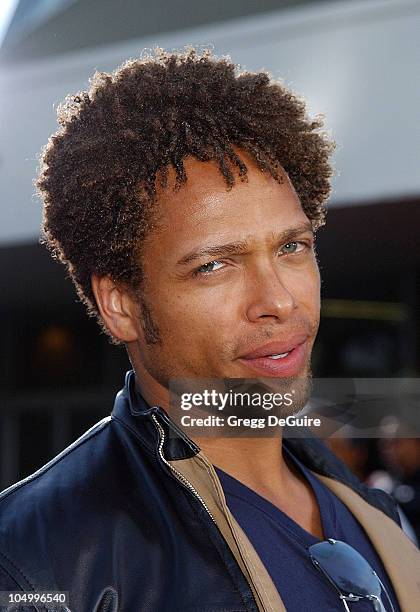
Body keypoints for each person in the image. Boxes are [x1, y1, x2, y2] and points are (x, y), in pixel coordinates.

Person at [0, 47, 419, 612]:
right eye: (214, 265)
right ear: (120, 304)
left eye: (292, 247)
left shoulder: (375, 514)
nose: (277, 301)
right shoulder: (33, 561)